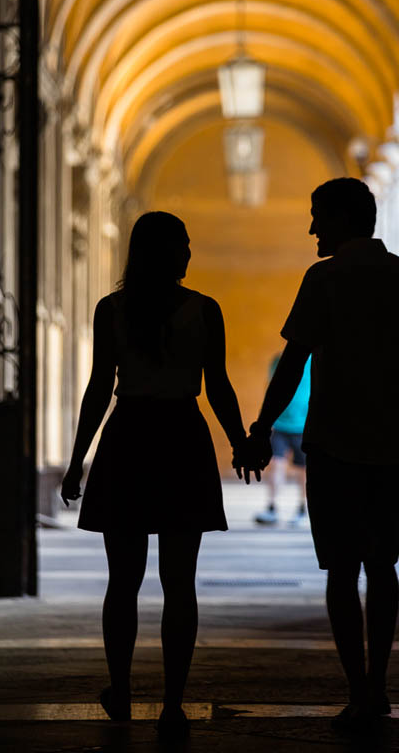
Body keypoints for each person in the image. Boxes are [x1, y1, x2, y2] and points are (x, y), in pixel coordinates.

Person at [247, 178, 399, 734]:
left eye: (319, 215)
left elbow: (293, 363)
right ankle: (380, 683)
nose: (313, 227)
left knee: (341, 572)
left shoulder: (324, 279)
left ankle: (357, 688)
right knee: (383, 566)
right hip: (393, 447)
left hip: (333, 447)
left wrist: (260, 429)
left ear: (345, 218)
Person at [60, 211, 255, 740]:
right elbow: (217, 386)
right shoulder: (204, 310)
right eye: (184, 245)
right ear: (168, 252)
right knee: (180, 583)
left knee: (122, 582)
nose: (190, 254)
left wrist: (79, 457)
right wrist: (240, 443)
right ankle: (172, 702)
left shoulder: (112, 309)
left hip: (127, 441)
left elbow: (100, 388)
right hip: (180, 440)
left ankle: (120, 690)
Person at [255, 353, 310, 527]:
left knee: (303, 470)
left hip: (303, 426)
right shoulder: (279, 360)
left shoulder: (316, 361)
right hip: (279, 424)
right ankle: (271, 507)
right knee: (276, 464)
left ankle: (302, 508)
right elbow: (270, 387)